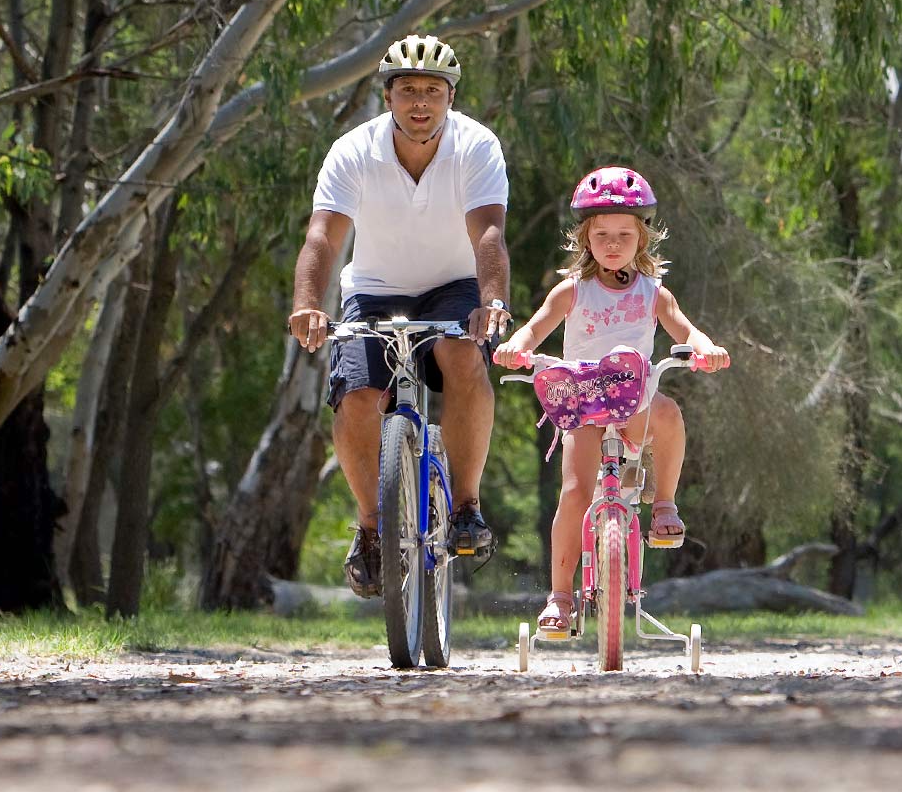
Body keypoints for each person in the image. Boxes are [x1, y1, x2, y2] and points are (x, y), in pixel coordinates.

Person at [287, 34, 513, 598]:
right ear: (387, 96)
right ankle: (370, 527)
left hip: (453, 287)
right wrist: (307, 304)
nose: (420, 102)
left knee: (464, 358)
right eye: (408, 90)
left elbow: (488, 232)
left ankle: (465, 507)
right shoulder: (352, 152)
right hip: (373, 290)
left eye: (432, 91)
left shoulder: (477, 147)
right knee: (358, 398)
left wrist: (493, 302)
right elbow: (322, 236)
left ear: (450, 97)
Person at [492, 166, 730, 636]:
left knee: (666, 412)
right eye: (602, 234)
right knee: (576, 492)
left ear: (643, 239)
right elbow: (537, 326)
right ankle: (560, 597)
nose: (613, 244)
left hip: (631, 397)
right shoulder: (573, 290)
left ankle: (664, 503)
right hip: (581, 399)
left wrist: (704, 347)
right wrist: (517, 346)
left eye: (624, 234)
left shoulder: (654, 293)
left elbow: (684, 328)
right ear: (585, 238)